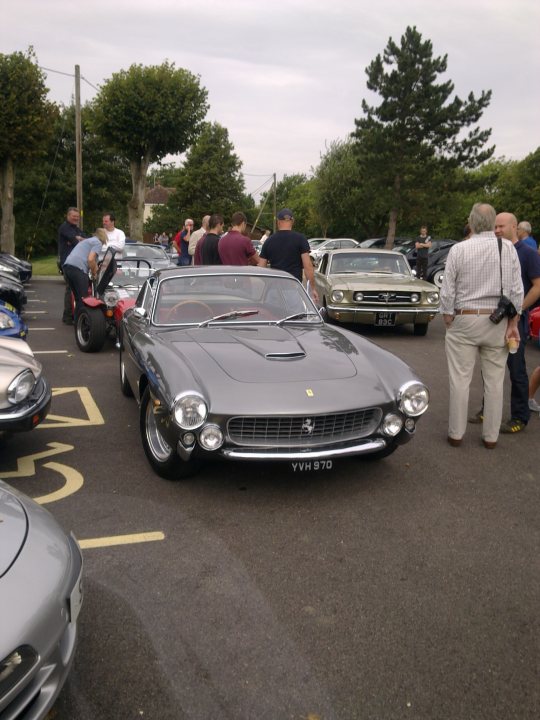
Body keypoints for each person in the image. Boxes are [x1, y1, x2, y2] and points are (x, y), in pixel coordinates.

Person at [440, 203, 522, 449]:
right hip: (497, 319)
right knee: (495, 381)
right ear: (493, 222)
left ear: (472, 223)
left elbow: (448, 289)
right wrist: (513, 323)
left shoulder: (459, 249)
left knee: (460, 379)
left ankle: (456, 433)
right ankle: (491, 438)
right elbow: (517, 291)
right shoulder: (507, 248)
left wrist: (447, 316)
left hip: (464, 317)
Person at [493, 213, 540, 432]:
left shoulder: (528, 253)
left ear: (514, 226)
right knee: (489, 368)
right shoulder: (494, 251)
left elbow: (537, 286)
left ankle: (519, 417)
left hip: (516, 322)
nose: (497, 230)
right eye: (495, 226)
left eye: (501, 226)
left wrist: (517, 310)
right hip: (493, 321)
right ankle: (487, 410)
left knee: (516, 370)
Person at [258, 208, 319, 304]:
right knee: (295, 318)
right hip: (294, 289)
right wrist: (312, 289)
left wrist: (267, 284)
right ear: (292, 221)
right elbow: (308, 266)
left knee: (274, 317)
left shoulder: (269, 241)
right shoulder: (300, 239)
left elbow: (261, 268)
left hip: (274, 290)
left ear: (278, 222)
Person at [62, 228, 109, 314]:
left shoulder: (88, 241)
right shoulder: (97, 242)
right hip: (78, 269)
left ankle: (77, 322)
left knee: (78, 299)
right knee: (85, 299)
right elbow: (91, 260)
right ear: (104, 237)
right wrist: (95, 273)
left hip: (67, 267)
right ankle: (85, 322)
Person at [58, 207, 86, 324]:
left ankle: (73, 315)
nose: (76, 218)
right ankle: (68, 317)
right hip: (68, 264)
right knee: (71, 289)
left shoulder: (76, 229)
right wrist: (76, 240)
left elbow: (85, 240)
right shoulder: (64, 228)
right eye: (74, 216)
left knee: (75, 289)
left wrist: (78, 239)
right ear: (68, 216)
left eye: (77, 217)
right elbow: (75, 241)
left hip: (77, 264)